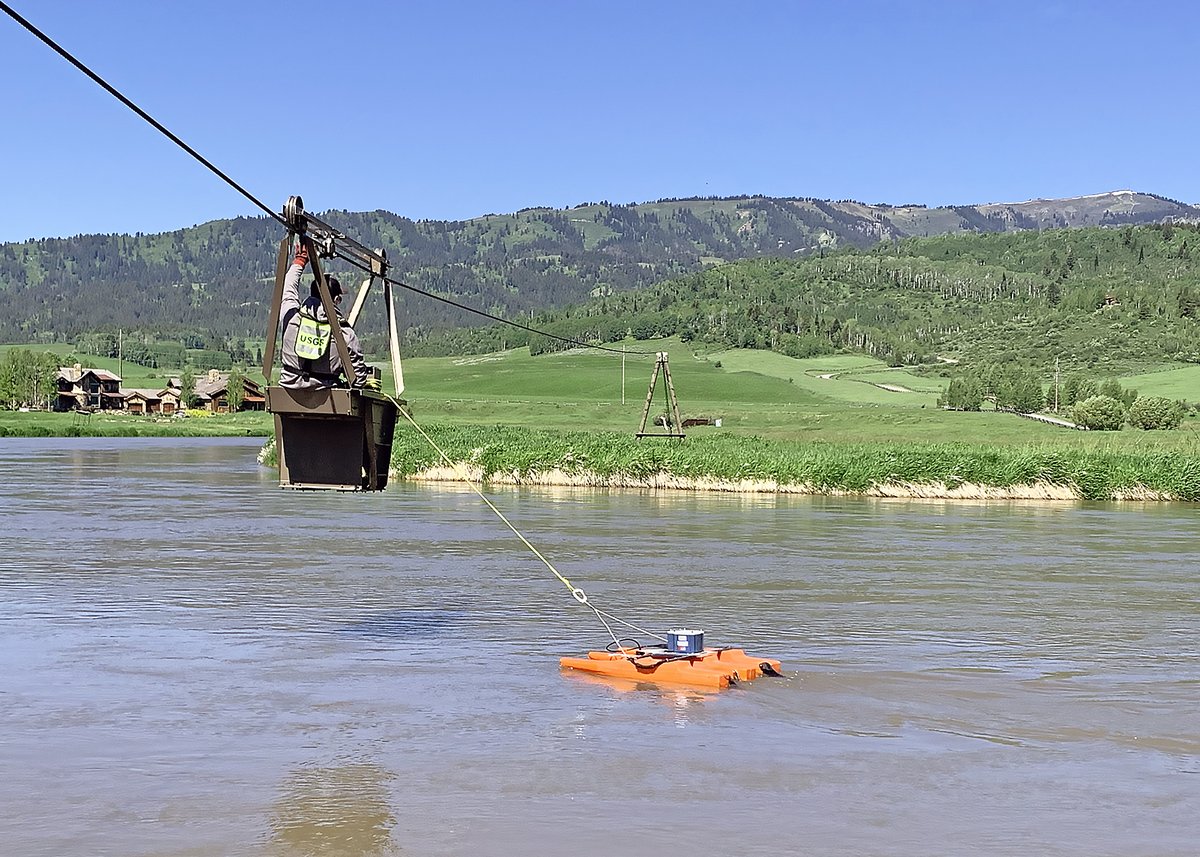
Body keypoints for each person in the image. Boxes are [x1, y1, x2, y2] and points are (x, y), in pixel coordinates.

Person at [279, 242, 373, 390]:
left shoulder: (291, 318)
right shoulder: (345, 334)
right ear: (336, 300)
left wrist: (300, 261)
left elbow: (287, 290)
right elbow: (358, 381)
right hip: (327, 400)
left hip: (289, 395)